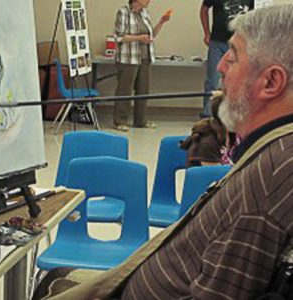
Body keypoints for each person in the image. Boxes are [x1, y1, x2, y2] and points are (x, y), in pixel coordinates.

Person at [34, 5, 293, 299]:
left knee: (52, 284)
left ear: (271, 82)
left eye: (231, 58)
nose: (219, 67)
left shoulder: (268, 180)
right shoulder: (273, 153)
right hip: (143, 278)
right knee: (55, 277)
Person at [113, 0, 170, 131]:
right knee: (125, 90)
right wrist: (139, 38)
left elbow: (151, 35)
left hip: (145, 57)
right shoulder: (123, 12)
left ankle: (140, 120)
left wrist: (161, 22)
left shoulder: (145, 13)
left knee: (143, 89)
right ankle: (120, 121)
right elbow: (119, 37)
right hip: (128, 58)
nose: (149, 1)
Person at [200, 0, 254, 118]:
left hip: (242, 42)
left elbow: (257, 15)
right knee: (213, 80)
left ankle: (238, 115)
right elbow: (204, 9)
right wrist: (206, 33)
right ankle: (208, 116)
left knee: (243, 79)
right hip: (218, 42)